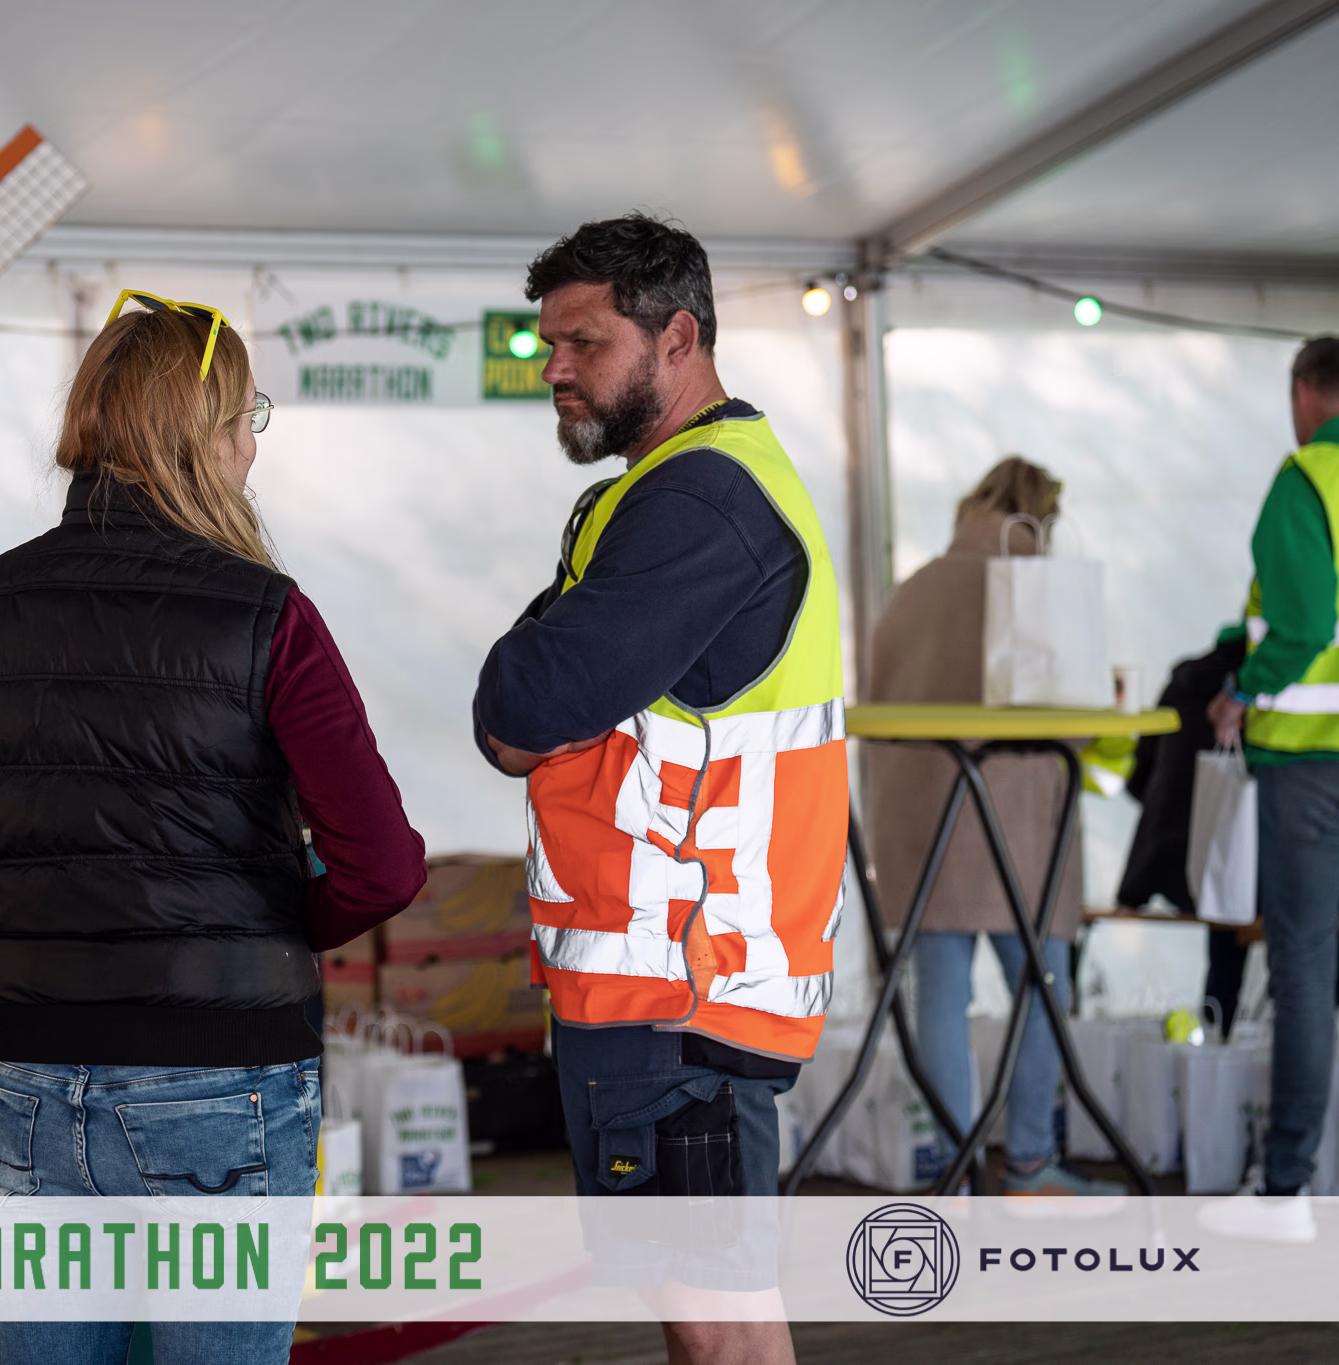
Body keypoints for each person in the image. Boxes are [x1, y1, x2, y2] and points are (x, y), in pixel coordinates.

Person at [0, 291, 427, 1364]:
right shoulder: (267, 615)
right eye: (248, 420)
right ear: (205, 436)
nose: (251, 448)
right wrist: (273, 928)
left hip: (27, 1078)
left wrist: (30, 918)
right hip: (222, 1078)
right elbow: (385, 867)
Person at [472, 214, 844, 1365]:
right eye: (547, 344)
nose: (553, 368)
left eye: (581, 342)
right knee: (714, 1311)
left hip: (676, 989)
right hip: (673, 979)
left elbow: (517, 708)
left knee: (714, 1319)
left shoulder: (697, 505)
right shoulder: (669, 492)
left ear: (676, 337)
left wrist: (532, 692)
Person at [864, 457, 1123, 1197]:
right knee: (1042, 992)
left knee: (940, 999)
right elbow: (1073, 731)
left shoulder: (912, 590)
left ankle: (958, 1171)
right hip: (1017, 832)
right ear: (1040, 515)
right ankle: (1031, 1166)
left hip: (923, 828)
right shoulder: (1039, 591)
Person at [1203, 333, 1339, 1241]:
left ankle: (1288, 1191)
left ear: (1305, 393)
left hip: (1310, 760)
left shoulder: (1307, 480)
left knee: (1303, 970)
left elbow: (1302, 625)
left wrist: (1241, 691)